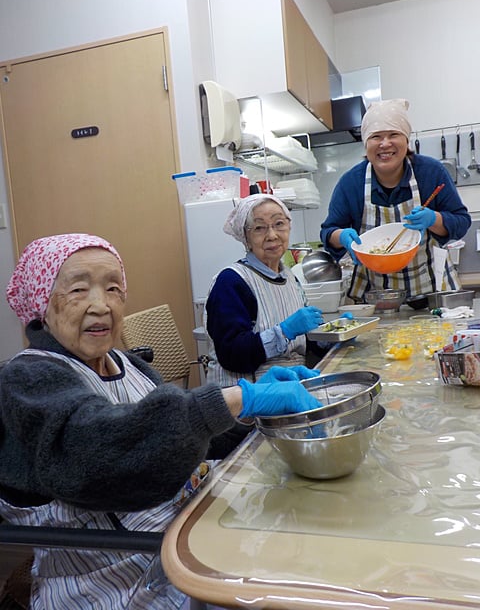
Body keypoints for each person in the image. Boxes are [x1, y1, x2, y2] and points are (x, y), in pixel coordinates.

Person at [0, 233, 322, 610]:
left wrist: (250, 412)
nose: (101, 305)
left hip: (183, 540)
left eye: (113, 288)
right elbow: (95, 451)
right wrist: (235, 397)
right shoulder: (28, 378)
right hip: (113, 579)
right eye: (78, 290)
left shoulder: (127, 364)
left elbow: (176, 435)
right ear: (42, 302)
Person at [320, 99, 471, 302]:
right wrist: (343, 237)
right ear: (366, 143)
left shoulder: (431, 172)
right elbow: (328, 232)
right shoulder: (351, 183)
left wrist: (433, 219)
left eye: (393, 135)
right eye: (376, 137)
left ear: (406, 139)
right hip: (374, 298)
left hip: (432, 291)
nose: (385, 144)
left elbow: (461, 222)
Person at [205, 194, 333, 387]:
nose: (272, 235)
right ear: (246, 237)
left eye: (279, 224)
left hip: (290, 385)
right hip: (249, 398)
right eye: (259, 228)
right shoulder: (231, 282)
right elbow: (231, 354)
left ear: (289, 227)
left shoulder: (290, 278)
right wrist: (284, 331)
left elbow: (306, 341)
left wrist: (332, 336)